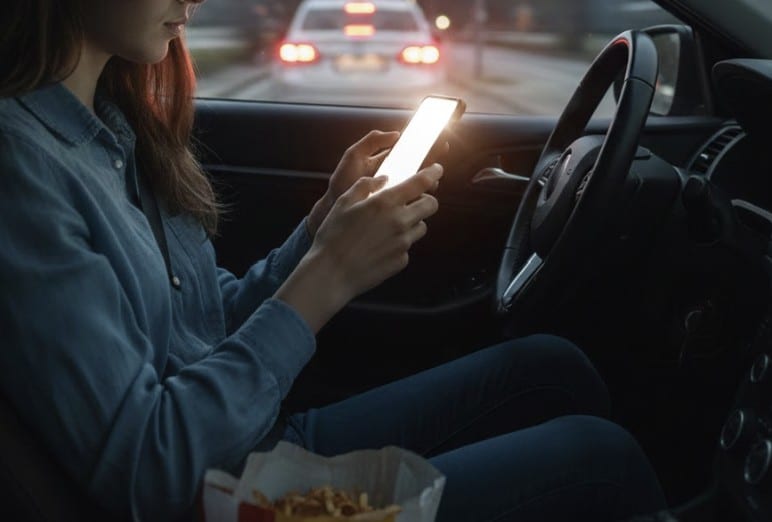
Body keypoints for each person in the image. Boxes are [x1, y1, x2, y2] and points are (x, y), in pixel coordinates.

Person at [0, 0, 667, 520]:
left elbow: (206, 326)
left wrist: (321, 229)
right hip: (221, 498)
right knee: (600, 459)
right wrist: (327, 276)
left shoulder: (115, 122)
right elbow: (150, 468)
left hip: (247, 444)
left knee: (551, 366)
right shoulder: (22, 168)